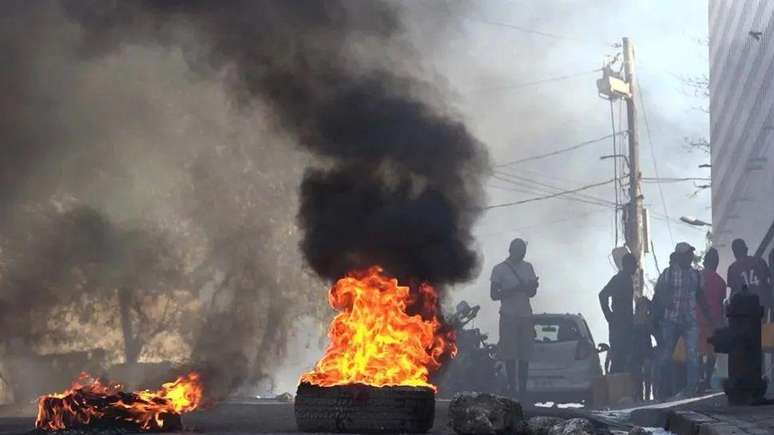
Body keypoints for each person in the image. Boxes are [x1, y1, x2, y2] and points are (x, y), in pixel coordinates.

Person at [652, 242, 718, 399]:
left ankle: (691, 390)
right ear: (679, 256)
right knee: (666, 356)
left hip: (689, 320)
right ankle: (663, 391)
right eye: (687, 254)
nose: (690, 257)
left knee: (693, 355)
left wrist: (710, 318)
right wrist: (659, 313)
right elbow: (658, 294)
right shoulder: (668, 274)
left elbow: (700, 297)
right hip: (670, 320)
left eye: (691, 254)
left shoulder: (695, 275)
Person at [490, 238, 538, 400]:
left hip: (525, 314)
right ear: (512, 250)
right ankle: (512, 387)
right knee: (510, 354)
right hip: (508, 315)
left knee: (525, 355)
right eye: (520, 250)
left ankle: (523, 390)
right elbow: (494, 295)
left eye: (523, 251)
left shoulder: (528, 267)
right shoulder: (499, 270)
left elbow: (532, 294)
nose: (522, 254)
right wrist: (513, 289)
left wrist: (532, 287)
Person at [598, 253, 637, 374]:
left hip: (626, 323)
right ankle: (616, 386)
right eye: (634, 264)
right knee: (618, 357)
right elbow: (602, 294)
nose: (635, 267)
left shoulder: (627, 279)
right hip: (619, 324)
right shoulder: (619, 279)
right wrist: (609, 316)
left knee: (626, 357)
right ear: (627, 265)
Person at [698, 247, 726, 392]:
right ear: (716, 263)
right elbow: (720, 305)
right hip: (713, 322)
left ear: (705, 262)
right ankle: (707, 379)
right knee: (711, 354)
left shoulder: (698, 277)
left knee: (697, 352)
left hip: (696, 320)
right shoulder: (721, 282)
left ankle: (698, 380)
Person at [727, 239, 772, 308]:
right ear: (746, 249)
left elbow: (733, 292)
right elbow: (769, 281)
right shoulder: (760, 261)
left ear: (734, 253)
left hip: (746, 308)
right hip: (762, 304)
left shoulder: (732, 269)